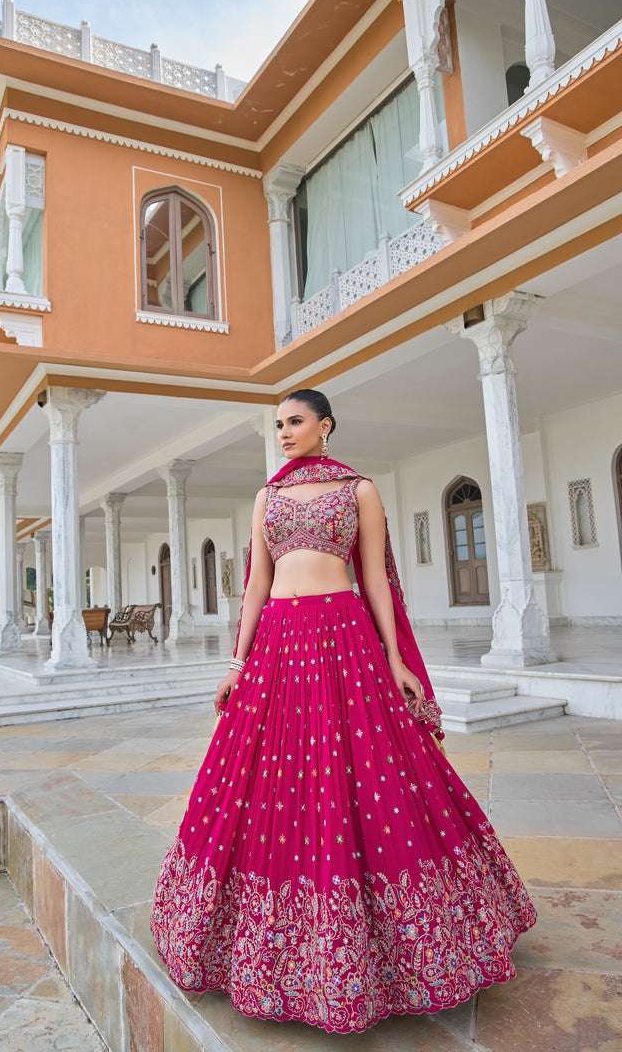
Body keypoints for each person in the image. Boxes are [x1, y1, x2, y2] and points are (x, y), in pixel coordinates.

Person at [151, 389, 536, 1034]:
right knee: (270, 783)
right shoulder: (267, 498)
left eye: (295, 422)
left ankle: (395, 951)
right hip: (277, 642)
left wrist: (396, 659)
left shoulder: (359, 490)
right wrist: (238, 661)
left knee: (363, 778)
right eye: (277, 425)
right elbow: (256, 583)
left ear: (325, 426)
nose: (284, 433)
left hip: (343, 639)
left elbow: (377, 579)